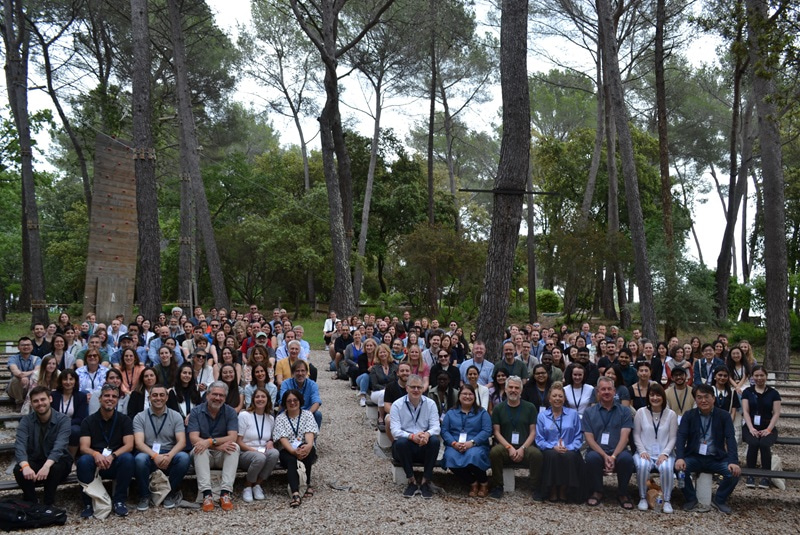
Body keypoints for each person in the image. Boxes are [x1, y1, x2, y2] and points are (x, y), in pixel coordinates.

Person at [675, 383, 741, 514]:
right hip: (694, 456)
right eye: (699, 397)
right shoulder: (689, 415)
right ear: (695, 399)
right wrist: (680, 457)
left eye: (707, 397)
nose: (703, 400)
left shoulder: (724, 416)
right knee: (679, 469)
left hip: (716, 457)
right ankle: (691, 498)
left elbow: (730, 438)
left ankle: (720, 499)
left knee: (733, 473)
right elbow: (681, 437)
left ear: (713, 398)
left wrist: (733, 461)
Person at [77, 384, 135, 518]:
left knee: (128, 458)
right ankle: (88, 503)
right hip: (95, 462)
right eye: (107, 396)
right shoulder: (88, 421)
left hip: (115, 461)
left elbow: (129, 445)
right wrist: (96, 454)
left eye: (114, 396)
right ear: (100, 398)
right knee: (83, 461)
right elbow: (84, 447)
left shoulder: (124, 420)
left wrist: (113, 456)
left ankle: (119, 501)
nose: (110, 399)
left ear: (117, 400)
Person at [133, 384, 190, 510]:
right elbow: (139, 443)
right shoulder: (140, 417)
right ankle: (144, 495)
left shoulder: (176, 416)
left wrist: (169, 456)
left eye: (161, 395)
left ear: (167, 397)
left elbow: (182, 442)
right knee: (139, 459)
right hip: (148, 453)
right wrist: (155, 456)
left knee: (184, 458)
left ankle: (169, 493)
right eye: (154, 395)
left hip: (169, 453)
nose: (158, 398)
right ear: (149, 398)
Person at [13, 386, 73, 505]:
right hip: (36, 459)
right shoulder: (26, 421)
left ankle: (48, 503)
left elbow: (59, 447)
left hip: (58, 461)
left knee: (55, 468)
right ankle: (32, 502)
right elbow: (20, 445)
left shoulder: (63, 420)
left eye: (43, 399)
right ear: (31, 403)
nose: (40, 403)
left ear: (50, 399)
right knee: (18, 469)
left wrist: (46, 466)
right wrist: (25, 466)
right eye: (36, 401)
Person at [582, 376, 635, 509]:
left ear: (614, 391)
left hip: (618, 450)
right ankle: (598, 491)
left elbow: (625, 437)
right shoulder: (589, 412)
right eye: (603, 389)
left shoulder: (625, 411)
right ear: (598, 392)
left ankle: (622, 493)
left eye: (609, 389)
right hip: (597, 450)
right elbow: (589, 438)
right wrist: (605, 456)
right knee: (592, 458)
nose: (606, 392)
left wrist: (613, 456)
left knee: (627, 459)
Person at [488, 375, 543, 500]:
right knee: (494, 452)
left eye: (517, 388)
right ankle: (497, 486)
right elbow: (496, 432)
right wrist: (509, 447)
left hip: (525, 445)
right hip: (505, 446)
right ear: (506, 389)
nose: (513, 390)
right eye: (511, 387)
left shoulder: (530, 407)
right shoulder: (498, 408)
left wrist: (522, 448)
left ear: (521, 390)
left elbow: (533, 432)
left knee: (537, 455)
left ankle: (536, 487)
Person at [188, 381, 240, 512]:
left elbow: (232, 437)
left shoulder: (230, 412)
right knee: (199, 448)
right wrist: (214, 446)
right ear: (207, 395)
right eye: (215, 394)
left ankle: (225, 493)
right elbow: (194, 438)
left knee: (234, 447)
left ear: (225, 398)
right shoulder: (196, 411)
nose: (217, 398)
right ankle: (207, 495)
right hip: (205, 455)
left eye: (221, 395)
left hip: (221, 454)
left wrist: (210, 442)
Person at [390, 374, 441, 499]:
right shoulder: (397, 405)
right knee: (401, 442)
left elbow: (436, 427)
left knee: (434, 441)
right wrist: (412, 436)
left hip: (423, 443)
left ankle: (425, 482)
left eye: (419, 387)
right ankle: (411, 481)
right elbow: (395, 431)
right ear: (407, 388)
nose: (416, 390)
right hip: (406, 446)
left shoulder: (430, 404)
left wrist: (427, 434)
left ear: (423, 388)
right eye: (413, 387)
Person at [535, 382, 583, 503]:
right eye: (554, 396)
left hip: (569, 448)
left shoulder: (573, 414)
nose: (557, 398)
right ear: (549, 399)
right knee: (552, 455)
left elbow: (578, 436)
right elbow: (539, 439)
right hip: (550, 448)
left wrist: (570, 447)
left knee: (569, 456)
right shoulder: (542, 416)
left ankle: (564, 489)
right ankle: (552, 489)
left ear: (564, 399)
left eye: (560, 396)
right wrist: (552, 446)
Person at [633, 383, 678, 513]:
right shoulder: (641, 412)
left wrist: (665, 453)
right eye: (652, 395)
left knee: (666, 468)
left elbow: (673, 438)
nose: (655, 398)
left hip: (664, 453)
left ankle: (666, 500)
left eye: (658, 395)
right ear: (648, 397)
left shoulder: (671, 414)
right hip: (644, 452)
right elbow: (636, 434)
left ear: (663, 397)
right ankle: (643, 497)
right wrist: (642, 451)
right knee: (642, 466)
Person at [441, 384, 492, 497]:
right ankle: (472, 482)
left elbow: (487, 430)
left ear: (474, 396)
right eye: (464, 394)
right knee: (450, 457)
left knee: (473, 455)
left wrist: (472, 443)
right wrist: (454, 443)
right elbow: (444, 431)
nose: (467, 396)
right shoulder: (451, 413)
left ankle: (484, 482)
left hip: (476, 445)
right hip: (455, 444)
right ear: (459, 396)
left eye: (470, 394)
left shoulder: (482, 413)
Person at [273, 389, 319, 508]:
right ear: (285, 403)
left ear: (300, 401)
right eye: (289, 401)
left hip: (303, 445)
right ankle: (295, 493)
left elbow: (309, 432)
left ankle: (307, 483)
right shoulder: (280, 418)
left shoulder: (307, 415)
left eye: (295, 400)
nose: (292, 403)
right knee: (291, 460)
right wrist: (293, 451)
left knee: (308, 452)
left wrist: (308, 446)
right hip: (287, 449)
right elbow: (282, 439)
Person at [237, 387, 280, 502]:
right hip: (245, 452)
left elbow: (270, 437)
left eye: (263, 397)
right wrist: (254, 451)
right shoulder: (244, 415)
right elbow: (238, 441)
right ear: (253, 400)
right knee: (260, 457)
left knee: (275, 453)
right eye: (257, 397)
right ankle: (247, 485)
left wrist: (270, 441)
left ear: (268, 400)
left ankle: (257, 484)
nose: (260, 399)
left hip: (262, 451)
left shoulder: (270, 418)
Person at [741, 365, 781, 489]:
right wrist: (751, 428)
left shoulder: (774, 393)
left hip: (768, 425)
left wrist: (769, 429)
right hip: (750, 426)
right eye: (756, 375)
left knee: (764, 444)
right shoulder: (747, 392)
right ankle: (750, 474)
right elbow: (745, 411)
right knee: (753, 443)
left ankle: (766, 476)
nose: (759, 378)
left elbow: (776, 413)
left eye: (762, 375)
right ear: (752, 377)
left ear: (766, 376)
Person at [50, 369, 88, 458]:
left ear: (75, 381)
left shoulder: (81, 396)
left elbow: (81, 418)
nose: (68, 382)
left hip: (72, 424)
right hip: (55, 423)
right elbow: (50, 413)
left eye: (71, 379)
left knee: (75, 431)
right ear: (61, 381)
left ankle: (71, 458)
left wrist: (65, 424)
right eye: (65, 379)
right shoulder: (53, 395)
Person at [278, 359, 323, 428]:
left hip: (307, 412)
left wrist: (307, 415)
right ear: (293, 373)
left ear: (306, 372)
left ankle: (314, 434)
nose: (300, 373)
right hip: (290, 411)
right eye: (297, 371)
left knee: (317, 415)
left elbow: (316, 402)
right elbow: (284, 401)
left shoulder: (312, 384)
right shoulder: (285, 383)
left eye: (302, 371)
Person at [8, 337, 42, 411]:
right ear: (18, 347)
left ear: (32, 347)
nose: (26, 347)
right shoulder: (13, 358)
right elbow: (15, 371)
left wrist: (24, 375)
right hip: (15, 389)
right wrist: (22, 376)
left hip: (31, 387)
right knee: (15, 379)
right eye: (23, 345)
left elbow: (37, 371)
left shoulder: (37, 359)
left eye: (28, 345)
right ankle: (19, 402)